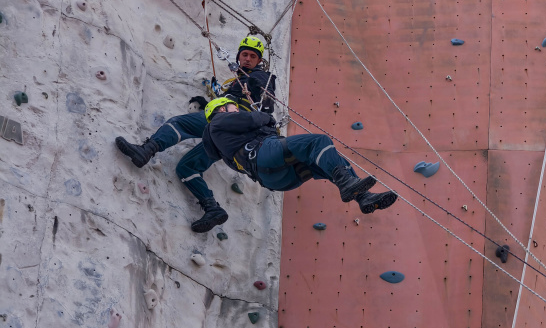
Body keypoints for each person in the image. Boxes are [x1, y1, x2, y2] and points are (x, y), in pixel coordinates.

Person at [115, 36, 276, 232]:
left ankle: (147, 150)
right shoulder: (239, 80)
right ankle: (212, 208)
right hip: (231, 136)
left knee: (180, 123)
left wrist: (246, 80)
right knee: (187, 168)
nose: (248, 59)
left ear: (259, 61)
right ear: (239, 55)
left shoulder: (262, 79)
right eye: (245, 55)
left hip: (231, 121)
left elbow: (263, 98)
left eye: (253, 56)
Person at [201, 98, 398, 214]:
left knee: (325, 161)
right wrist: (266, 117)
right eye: (233, 107)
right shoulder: (218, 122)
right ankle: (349, 186)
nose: (236, 110)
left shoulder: (224, 146)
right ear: (221, 109)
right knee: (318, 142)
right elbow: (252, 118)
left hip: (274, 179)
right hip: (264, 154)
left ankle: (363, 196)